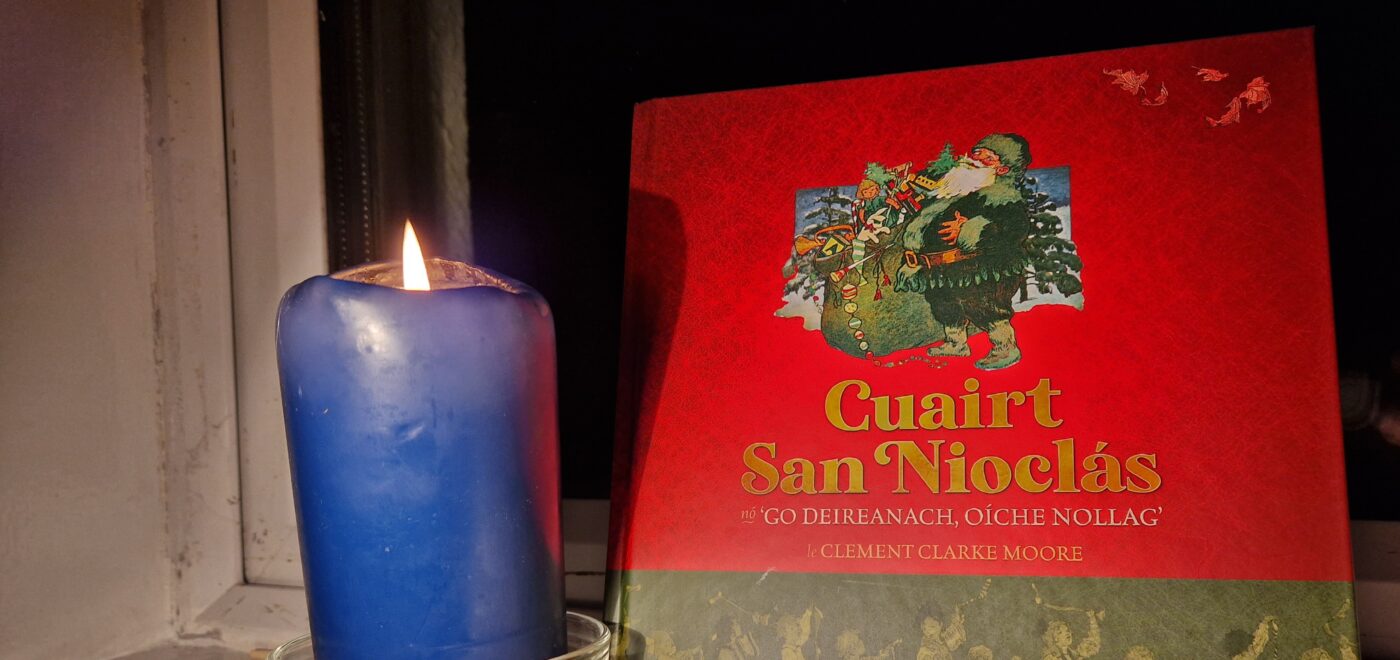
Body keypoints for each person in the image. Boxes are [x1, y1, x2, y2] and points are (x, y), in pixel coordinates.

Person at [895, 133, 1032, 370]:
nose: (976, 159)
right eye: (976, 153)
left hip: (977, 269)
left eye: (987, 158)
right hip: (940, 267)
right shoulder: (954, 190)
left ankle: (1005, 348)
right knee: (943, 304)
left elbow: (1015, 228)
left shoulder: (1003, 198)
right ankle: (956, 343)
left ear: (1001, 170)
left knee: (983, 306)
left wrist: (972, 229)